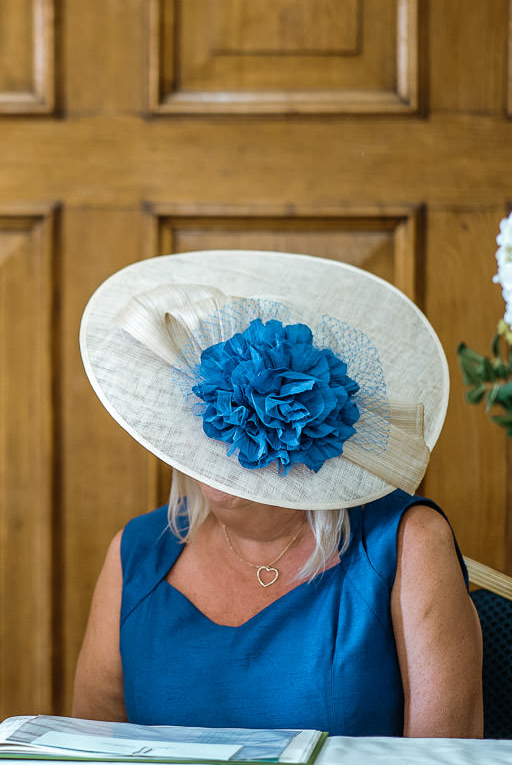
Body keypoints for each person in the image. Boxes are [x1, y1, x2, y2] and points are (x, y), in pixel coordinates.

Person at [71, 250, 483, 737]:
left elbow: (444, 756)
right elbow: (87, 748)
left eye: (246, 426)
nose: (224, 443)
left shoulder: (409, 542)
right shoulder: (135, 553)